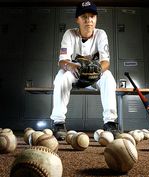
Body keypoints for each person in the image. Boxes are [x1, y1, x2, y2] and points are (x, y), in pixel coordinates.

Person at [50, 0, 119, 140]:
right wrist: (70, 66)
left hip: (95, 73)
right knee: (60, 77)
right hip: (75, 73)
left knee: (109, 78)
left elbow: (106, 61)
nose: (89, 20)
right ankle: (58, 122)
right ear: (77, 19)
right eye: (84, 17)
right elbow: (62, 61)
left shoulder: (101, 34)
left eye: (92, 16)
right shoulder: (69, 34)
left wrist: (98, 69)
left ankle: (110, 122)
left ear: (96, 18)